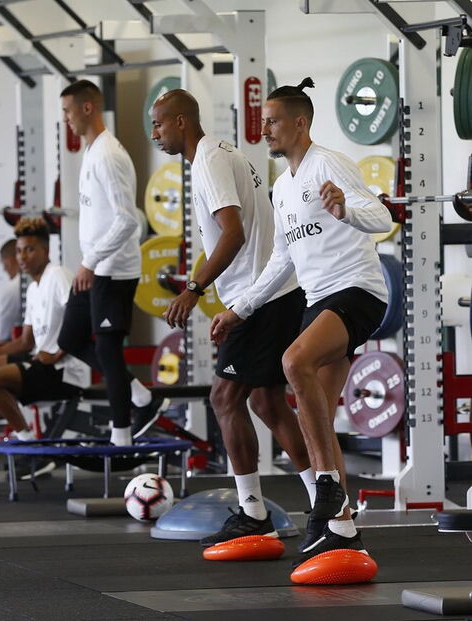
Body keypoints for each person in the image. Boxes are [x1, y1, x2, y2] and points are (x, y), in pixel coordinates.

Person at [211, 78, 391, 565]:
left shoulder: (327, 163)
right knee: (321, 424)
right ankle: (344, 532)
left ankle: (327, 488)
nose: (264, 129)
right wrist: (238, 310)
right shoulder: (284, 187)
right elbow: (280, 263)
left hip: (357, 291)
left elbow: (382, 218)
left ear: (299, 122)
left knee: (294, 362)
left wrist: (346, 208)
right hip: (318, 300)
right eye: (263, 121)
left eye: (272, 121)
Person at [149, 89, 316, 547]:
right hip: (275, 292)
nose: (154, 133)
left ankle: (253, 512)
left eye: (159, 124)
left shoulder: (209, 160)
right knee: (266, 403)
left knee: (225, 399)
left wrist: (193, 289)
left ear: (182, 122)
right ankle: (325, 504)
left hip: (260, 299)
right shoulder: (222, 153)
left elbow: (234, 234)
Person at [57, 80, 160, 445]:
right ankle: (141, 396)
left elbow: (127, 220)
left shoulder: (109, 155)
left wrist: (91, 261)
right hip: (95, 267)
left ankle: (122, 434)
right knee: (69, 338)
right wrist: (89, 263)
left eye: (68, 111)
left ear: (87, 108)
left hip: (113, 270)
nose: (66, 119)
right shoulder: (92, 151)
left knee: (106, 348)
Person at [0, 217, 89, 477]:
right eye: (19, 250)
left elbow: (83, 315)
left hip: (66, 371)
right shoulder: (33, 288)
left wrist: (59, 352)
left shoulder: (58, 275)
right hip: (42, 363)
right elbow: (24, 342)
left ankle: (30, 447)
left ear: (45, 251)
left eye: (30, 249)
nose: (22, 256)